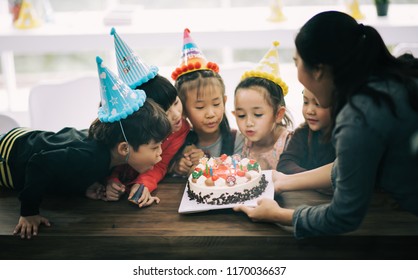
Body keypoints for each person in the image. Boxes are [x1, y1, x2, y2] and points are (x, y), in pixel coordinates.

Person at [234, 11, 418, 238]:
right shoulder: (388, 81)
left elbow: (343, 216)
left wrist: (278, 214)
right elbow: (351, 163)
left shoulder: (359, 117)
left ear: (318, 71)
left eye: (296, 62)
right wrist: (284, 181)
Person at [0, 56, 171, 239]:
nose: (160, 153)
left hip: (22, 137)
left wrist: (83, 187)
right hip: (7, 157)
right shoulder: (91, 158)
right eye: (155, 147)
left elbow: (65, 170)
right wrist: (29, 212)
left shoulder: (103, 151)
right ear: (124, 148)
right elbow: (39, 163)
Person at [103, 29, 190, 205]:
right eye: (165, 112)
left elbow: (160, 164)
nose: (176, 115)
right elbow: (110, 160)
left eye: (175, 103)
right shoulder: (123, 130)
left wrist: (143, 184)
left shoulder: (180, 130)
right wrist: (111, 181)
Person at [170, 28, 240, 176]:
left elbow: (237, 174)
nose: (210, 113)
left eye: (216, 104)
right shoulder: (177, 143)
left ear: (224, 101)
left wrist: (205, 162)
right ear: (183, 111)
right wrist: (177, 167)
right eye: (200, 107)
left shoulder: (237, 140)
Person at [234, 41, 293, 170]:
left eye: (258, 114)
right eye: (241, 115)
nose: (248, 122)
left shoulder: (290, 143)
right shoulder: (241, 142)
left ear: (278, 114)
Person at [277, 88, 335, 178]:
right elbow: (285, 164)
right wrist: (314, 180)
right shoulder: (302, 132)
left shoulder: (344, 137)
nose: (309, 111)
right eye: (306, 102)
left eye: (317, 104)